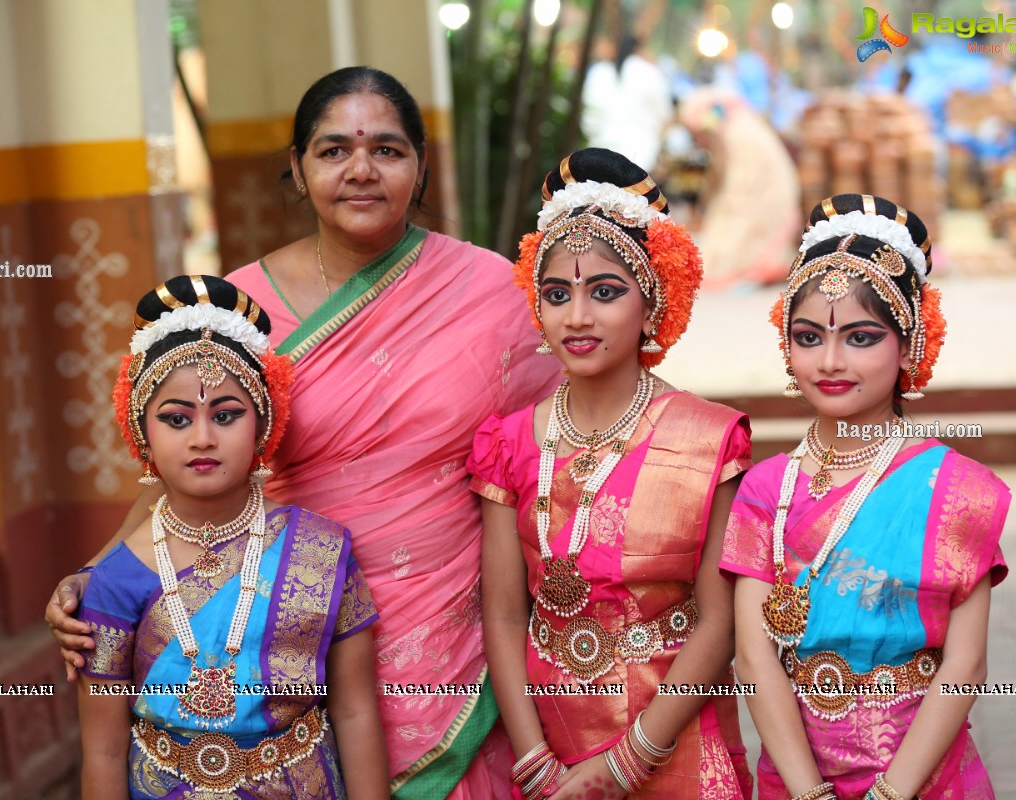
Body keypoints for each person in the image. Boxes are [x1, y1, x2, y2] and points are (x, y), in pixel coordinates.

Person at [47, 67, 559, 799]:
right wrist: (89, 577)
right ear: (296, 167)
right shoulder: (236, 312)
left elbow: (547, 454)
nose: (360, 170)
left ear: (419, 168)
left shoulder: (488, 294)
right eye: (331, 151)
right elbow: (185, 474)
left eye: (387, 149)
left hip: (451, 632)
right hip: (275, 617)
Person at [470, 148, 754, 799]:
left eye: (605, 292)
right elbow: (505, 617)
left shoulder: (709, 440)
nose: (577, 316)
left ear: (653, 300)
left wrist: (627, 763)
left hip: (678, 741)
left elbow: (719, 622)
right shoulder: (507, 444)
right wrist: (535, 763)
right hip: (550, 750)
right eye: (556, 293)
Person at [721, 194, 1010, 800]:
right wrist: (807, 793)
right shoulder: (764, 488)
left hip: (925, 781)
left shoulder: (958, 490)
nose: (829, 361)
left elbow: (964, 669)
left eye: (860, 337)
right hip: (793, 779)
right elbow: (753, 657)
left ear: (908, 347)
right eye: (808, 337)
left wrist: (890, 794)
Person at [78, 275, 386, 798]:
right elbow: (103, 751)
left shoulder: (320, 552)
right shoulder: (113, 583)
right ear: (141, 430)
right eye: (176, 419)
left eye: (226, 415)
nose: (203, 438)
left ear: (264, 422)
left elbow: (356, 712)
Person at [677, 88, 801, 288]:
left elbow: (742, 185)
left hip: (767, 195)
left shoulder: (739, 135)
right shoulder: (739, 126)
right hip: (764, 190)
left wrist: (723, 208)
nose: (698, 140)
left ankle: (748, 270)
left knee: (734, 230)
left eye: (696, 134)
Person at [582, 37, 672, 173]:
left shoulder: (599, 71)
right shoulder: (649, 72)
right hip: (639, 157)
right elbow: (665, 115)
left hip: (595, 153)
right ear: (640, 50)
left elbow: (587, 115)